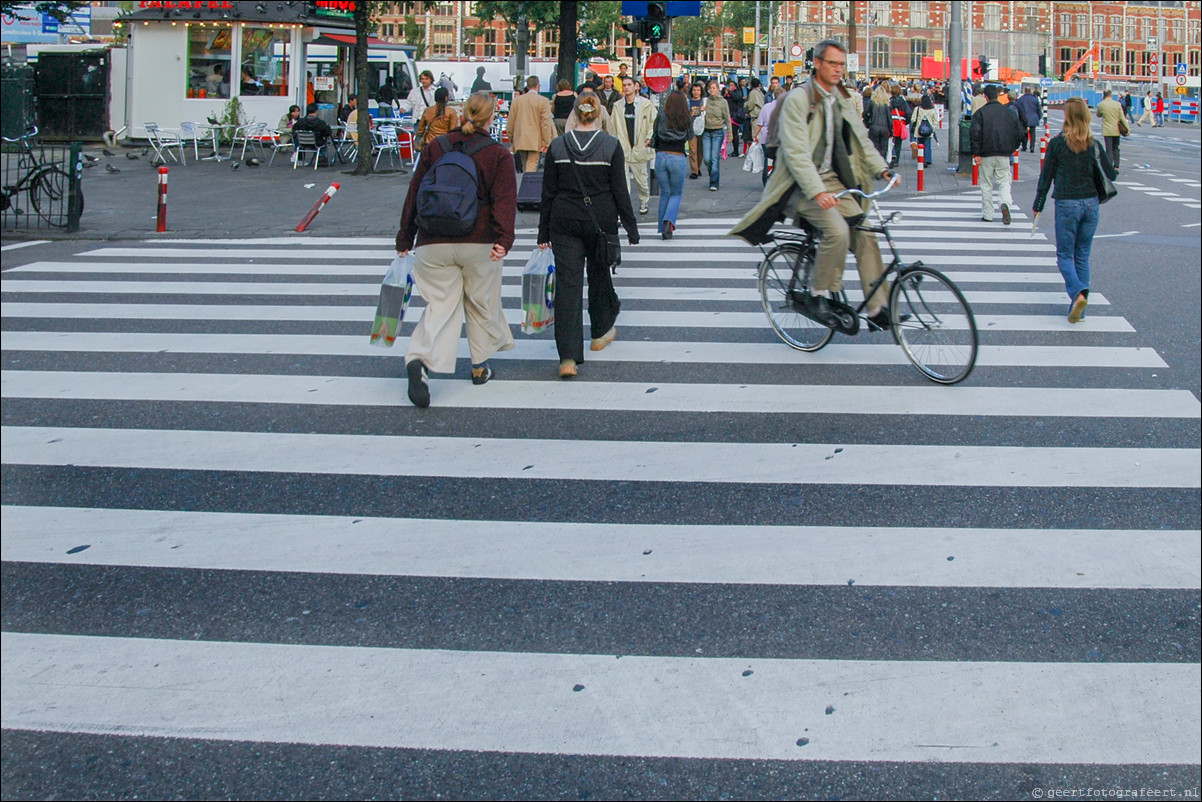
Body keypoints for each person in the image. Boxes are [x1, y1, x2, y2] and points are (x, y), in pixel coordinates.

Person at [730, 39, 895, 329]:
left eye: (841, 64)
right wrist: (817, 192)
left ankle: (877, 307)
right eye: (832, 63)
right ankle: (817, 295)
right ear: (817, 63)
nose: (838, 70)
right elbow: (796, 154)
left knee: (865, 233)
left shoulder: (840, 97)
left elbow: (861, 139)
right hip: (797, 184)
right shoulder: (798, 99)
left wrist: (882, 169)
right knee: (838, 231)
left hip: (831, 180)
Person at [396, 92, 517, 408]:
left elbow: (414, 194)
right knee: (480, 301)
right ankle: (479, 367)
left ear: (463, 113)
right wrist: (504, 239)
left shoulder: (435, 147)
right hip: (479, 242)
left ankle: (420, 359)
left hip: (433, 241)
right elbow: (504, 201)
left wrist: (404, 238)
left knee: (441, 304)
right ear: (492, 118)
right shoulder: (498, 154)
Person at [538, 94, 639, 379]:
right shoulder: (610, 146)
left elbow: (548, 193)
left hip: (564, 220)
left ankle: (568, 357)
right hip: (601, 222)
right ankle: (599, 333)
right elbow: (620, 190)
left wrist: (542, 231)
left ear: (574, 115)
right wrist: (631, 227)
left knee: (568, 287)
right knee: (599, 276)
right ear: (599, 116)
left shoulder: (558, 146)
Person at [1033, 96, 1116, 324]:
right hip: (1091, 205)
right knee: (1082, 256)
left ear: (1067, 117)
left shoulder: (1058, 144)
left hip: (1067, 204)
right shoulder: (1094, 144)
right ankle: (1080, 309)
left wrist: (1038, 205)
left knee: (1063, 256)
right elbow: (1112, 174)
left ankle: (1078, 292)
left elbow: (1046, 177)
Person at [970, 84, 1025, 225]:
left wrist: (976, 153)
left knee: (986, 184)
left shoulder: (980, 114)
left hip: (985, 154)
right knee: (1004, 181)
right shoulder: (1008, 113)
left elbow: (974, 134)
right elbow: (1020, 132)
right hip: (1004, 154)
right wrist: (1013, 147)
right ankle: (1005, 202)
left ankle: (988, 214)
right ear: (999, 95)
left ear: (986, 97)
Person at [611, 77, 657, 216]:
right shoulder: (617, 106)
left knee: (642, 179)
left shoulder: (646, 105)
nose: (626, 88)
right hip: (623, 148)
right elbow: (613, 126)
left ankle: (644, 201)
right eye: (624, 85)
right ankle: (623, 208)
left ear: (635, 87)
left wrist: (649, 138)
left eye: (629, 85)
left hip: (639, 147)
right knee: (623, 182)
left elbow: (652, 123)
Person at [651, 89, 691, 239]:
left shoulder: (661, 114)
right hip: (677, 156)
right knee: (676, 193)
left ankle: (663, 229)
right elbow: (691, 135)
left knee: (665, 193)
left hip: (661, 156)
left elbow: (655, 132)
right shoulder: (686, 117)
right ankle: (669, 220)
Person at [507, 75, 556, 172]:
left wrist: (512, 139)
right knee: (531, 167)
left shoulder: (517, 101)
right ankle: (527, 186)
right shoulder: (543, 101)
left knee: (525, 164)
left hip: (520, 138)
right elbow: (545, 123)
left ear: (527, 86)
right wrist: (546, 142)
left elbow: (511, 121)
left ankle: (525, 184)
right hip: (535, 140)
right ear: (538, 86)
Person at [700, 80, 732, 191]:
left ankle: (714, 182)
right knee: (707, 158)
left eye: (714, 88)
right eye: (710, 88)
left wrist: (730, 133)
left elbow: (727, 118)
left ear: (718, 89)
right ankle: (713, 173)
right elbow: (695, 115)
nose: (712, 90)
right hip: (706, 131)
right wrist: (700, 110)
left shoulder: (723, 102)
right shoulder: (705, 101)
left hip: (718, 131)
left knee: (714, 158)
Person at [754, 87, 781, 187]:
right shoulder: (786, 107)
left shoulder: (766, 107)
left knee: (767, 159)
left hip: (766, 137)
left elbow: (759, 123)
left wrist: (755, 135)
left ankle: (766, 181)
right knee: (778, 161)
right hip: (780, 139)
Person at [1095, 89, 1124, 171]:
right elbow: (1122, 117)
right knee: (1116, 148)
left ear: (1103, 96)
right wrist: (1127, 129)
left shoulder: (1101, 104)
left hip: (1107, 130)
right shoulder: (1117, 104)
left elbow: (1098, 115)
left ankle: (1110, 166)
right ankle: (1116, 166)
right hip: (1116, 129)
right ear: (1111, 95)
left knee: (1109, 149)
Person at [864, 83, 891, 160]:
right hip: (884, 128)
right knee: (883, 148)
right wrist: (891, 130)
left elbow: (866, 114)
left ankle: (875, 163)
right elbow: (889, 118)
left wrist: (867, 124)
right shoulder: (887, 104)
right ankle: (882, 164)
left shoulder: (871, 103)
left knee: (874, 147)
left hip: (873, 126)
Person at [887, 82, 911, 167]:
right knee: (898, 142)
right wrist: (905, 122)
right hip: (900, 122)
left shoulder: (889, 101)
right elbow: (908, 113)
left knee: (890, 142)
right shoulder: (903, 101)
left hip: (890, 122)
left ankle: (890, 158)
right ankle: (896, 160)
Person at [910, 94, 939, 165]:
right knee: (927, 145)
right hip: (929, 131)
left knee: (920, 144)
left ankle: (921, 159)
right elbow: (936, 120)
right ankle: (927, 159)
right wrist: (933, 127)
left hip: (919, 131)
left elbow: (913, 119)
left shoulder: (918, 109)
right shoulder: (932, 110)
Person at [687, 82, 706, 179]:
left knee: (700, 150)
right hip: (691, 128)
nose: (696, 92)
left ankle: (698, 167)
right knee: (692, 149)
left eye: (698, 90)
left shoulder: (704, 102)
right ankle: (694, 170)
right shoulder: (688, 102)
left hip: (702, 127)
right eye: (694, 90)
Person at [1014, 85, 1042, 151]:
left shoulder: (1021, 99)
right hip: (1033, 118)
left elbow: (1017, 108)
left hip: (1024, 119)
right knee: (1033, 133)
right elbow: (1038, 110)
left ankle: (1024, 146)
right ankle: (1032, 147)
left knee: (1025, 133)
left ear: (1025, 91)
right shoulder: (1035, 99)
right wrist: (1038, 117)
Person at [724, 80, 746, 156]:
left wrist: (730, 92)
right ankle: (734, 150)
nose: (731, 87)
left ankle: (736, 150)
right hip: (729, 114)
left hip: (736, 115)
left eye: (732, 85)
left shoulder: (737, 92)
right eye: (729, 85)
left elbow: (738, 98)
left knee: (734, 132)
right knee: (732, 132)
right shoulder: (727, 94)